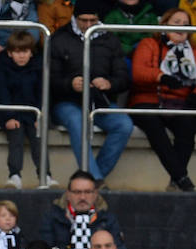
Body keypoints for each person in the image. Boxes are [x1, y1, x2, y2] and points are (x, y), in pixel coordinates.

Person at [46, 0, 133, 182]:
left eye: (92, 21)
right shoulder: (59, 38)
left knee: (124, 125)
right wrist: (70, 84)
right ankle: (94, 180)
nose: (87, 25)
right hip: (66, 102)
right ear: (74, 17)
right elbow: (49, 79)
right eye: (83, 20)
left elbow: (123, 78)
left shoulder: (110, 40)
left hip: (99, 101)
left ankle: (91, 182)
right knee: (78, 122)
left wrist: (109, 83)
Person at [129, 7, 196, 192]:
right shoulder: (149, 44)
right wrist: (160, 76)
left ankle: (176, 181)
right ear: (164, 25)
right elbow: (138, 72)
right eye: (176, 22)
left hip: (179, 103)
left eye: (186, 24)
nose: (182, 27)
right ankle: (181, 177)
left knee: (187, 127)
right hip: (148, 100)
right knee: (154, 127)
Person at [39, 170, 131, 249]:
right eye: (77, 192)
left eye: (87, 192)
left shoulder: (108, 220)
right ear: (68, 194)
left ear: (95, 194)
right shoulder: (52, 217)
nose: (82, 197)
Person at [0, 29, 52, 189]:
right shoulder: (3, 68)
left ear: (31, 53)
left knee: (38, 137)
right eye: (17, 51)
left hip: (34, 114)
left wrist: (40, 118)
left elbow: (43, 94)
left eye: (25, 51)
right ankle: (14, 176)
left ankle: (45, 176)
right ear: (10, 53)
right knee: (16, 137)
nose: (21, 56)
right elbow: (2, 93)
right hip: (11, 114)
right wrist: (9, 117)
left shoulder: (39, 68)